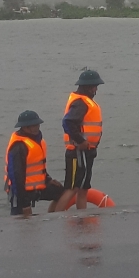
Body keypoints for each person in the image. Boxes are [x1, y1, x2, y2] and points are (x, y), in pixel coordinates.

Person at [56, 69, 105, 211]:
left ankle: (82, 217)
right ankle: (55, 219)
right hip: (78, 152)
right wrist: (80, 141)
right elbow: (68, 123)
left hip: (87, 152)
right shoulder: (81, 103)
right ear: (88, 87)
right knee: (73, 188)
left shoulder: (85, 101)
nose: (96, 89)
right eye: (95, 86)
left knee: (83, 188)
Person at [5, 109, 65, 216]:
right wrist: (25, 204)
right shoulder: (18, 146)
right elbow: (16, 176)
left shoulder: (38, 141)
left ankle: (51, 217)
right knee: (19, 220)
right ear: (25, 127)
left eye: (38, 125)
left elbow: (38, 167)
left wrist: (48, 180)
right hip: (19, 190)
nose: (37, 127)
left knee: (60, 192)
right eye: (34, 125)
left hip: (36, 186)